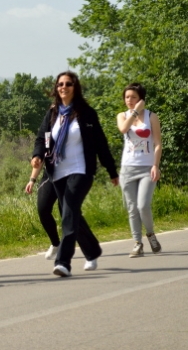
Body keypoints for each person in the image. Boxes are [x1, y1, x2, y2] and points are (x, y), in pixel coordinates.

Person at [32, 71, 119, 277]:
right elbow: (41, 138)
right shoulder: (53, 112)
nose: (64, 87)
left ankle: (63, 262)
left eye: (68, 84)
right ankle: (92, 250)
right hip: (57, 171)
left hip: (81, 170)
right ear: (56, 88)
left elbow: (101, 144)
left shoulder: (86, 113)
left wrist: (111, 170)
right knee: (70, 214)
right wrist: (37, 155)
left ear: (75, 87)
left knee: (68, 213)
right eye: (60, 84)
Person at [117, 83, 163, 257]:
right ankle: (137, 243)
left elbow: (158, 143)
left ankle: (150, 234)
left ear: (141, 99)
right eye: (127, 97)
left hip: (147, 168)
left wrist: (155, 166)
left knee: (143, 205)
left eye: (133, 97)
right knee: (132, 208)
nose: (129, 100)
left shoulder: (152, 117)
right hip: (127, 168)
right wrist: (135, 112)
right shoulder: (122, 116)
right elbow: (123, 129)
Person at [25, 165, 62, 260]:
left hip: (69, 175)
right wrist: (32, 180)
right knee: (43, 209)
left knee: (66, 212)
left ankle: (86, 246)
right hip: (50, 175)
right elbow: (39, 158)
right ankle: (56, 244)